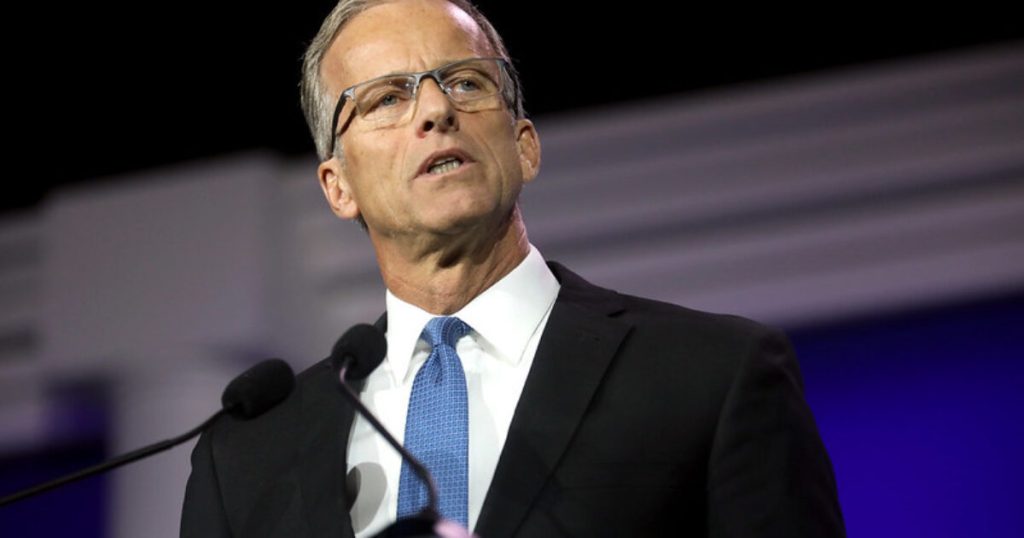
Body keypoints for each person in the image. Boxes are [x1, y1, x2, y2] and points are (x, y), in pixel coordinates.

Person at [180, 0, 846, 536]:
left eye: (466, 82)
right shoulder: (245, 459)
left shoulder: (712, 375)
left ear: (524, 146)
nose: (436, 111)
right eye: (386, 99)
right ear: (338, 186)